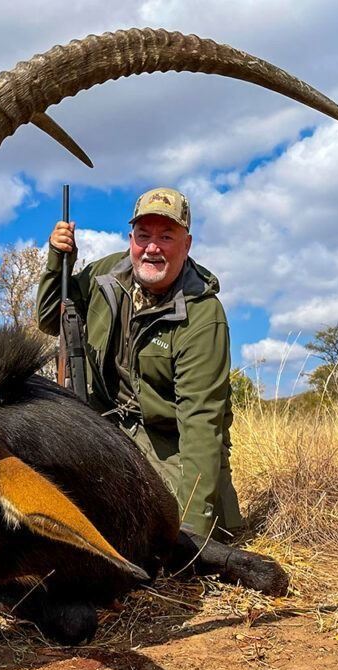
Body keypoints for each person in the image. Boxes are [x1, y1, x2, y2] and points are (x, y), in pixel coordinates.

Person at [36, 187, 242, 539]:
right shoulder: (105, 274)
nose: (152, 247)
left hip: (167, 445)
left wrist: (192, 534)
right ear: (131, 239)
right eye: (143, 235)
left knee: (157, 528)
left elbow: (201, 425)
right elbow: (48, 319)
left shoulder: (203, 315)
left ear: (187, 244)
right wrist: (58, 260)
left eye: (166, 237)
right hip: (104, 428)